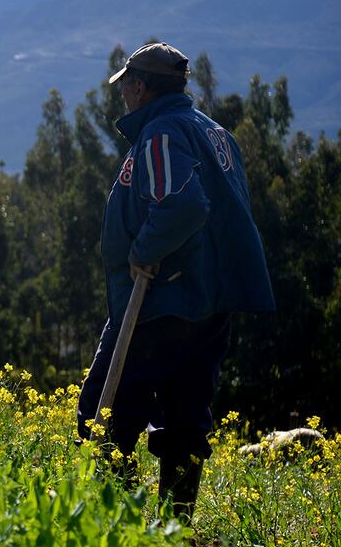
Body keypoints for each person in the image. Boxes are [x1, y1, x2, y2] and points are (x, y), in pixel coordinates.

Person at [76, 42, 275, 520]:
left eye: (125, 85)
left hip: (160, 304)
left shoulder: (162, 135)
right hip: (208, 307)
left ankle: (117, 521)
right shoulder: (215, 133)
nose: (122, 94)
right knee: (186, 421)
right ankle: (174, 526)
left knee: (102, 417)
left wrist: (144, 251)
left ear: (140, 88)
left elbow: (184, 205)